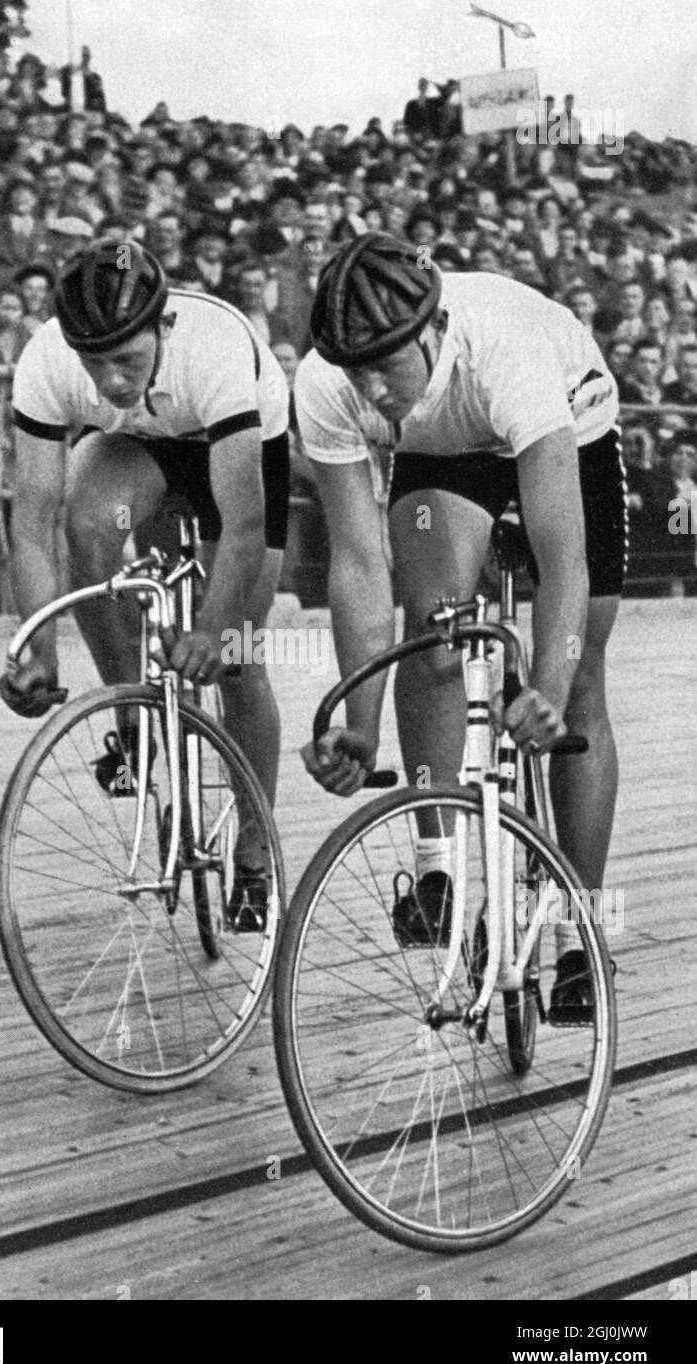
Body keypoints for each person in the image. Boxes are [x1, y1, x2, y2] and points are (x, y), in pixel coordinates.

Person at [295, 233, 625, 1025]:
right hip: (442, 446)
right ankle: (436, 861)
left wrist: (543, 688)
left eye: (387, 363)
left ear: (433, 327)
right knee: (434, 622)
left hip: (562, 420)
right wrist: (359, 725)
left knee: (578, 678)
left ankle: (578, 928)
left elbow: (563, 560)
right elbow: (357, 566)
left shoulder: (505, 353)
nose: (371, 387)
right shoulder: (326, 385)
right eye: (355, 367)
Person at [0, 239, 290, 929]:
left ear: (162, 327)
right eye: (93, 362)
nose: (112, 380)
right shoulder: (45, 358)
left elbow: (245, 528)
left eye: (125, 359)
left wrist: (215, 630)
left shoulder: (213, 348)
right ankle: (133, 718)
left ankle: (253, 851)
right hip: (139, 446)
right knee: (86, 521)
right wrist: (35, 647)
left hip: (237, 448)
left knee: (238, 663)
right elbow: (33, 521)